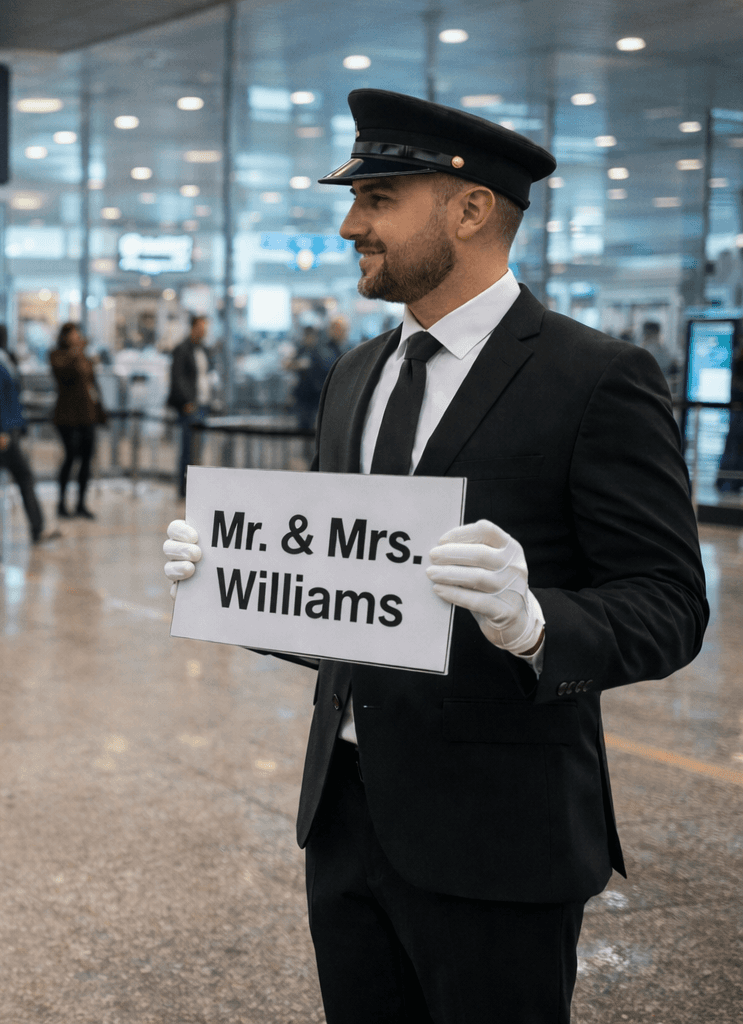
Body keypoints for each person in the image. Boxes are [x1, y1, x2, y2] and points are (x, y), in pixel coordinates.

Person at [161, 89, 708, 1024]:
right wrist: (241, 582)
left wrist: (536, 624)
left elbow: (669, 604)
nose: (349, 225)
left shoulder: (596, 379)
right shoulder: (356, 375)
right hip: (344, 821)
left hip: (499, 837)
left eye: (377, 199)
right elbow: (351, 598)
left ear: (468, 208)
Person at [0, 323, 57, 545]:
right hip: (4, 432)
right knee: (21, 477)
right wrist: (2, 430)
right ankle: (37, 527)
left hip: (6, 429)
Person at [48, 321, 107, 518]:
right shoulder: (58, 355)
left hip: (87, 415)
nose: (77, 337)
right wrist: (75, 353)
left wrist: (100, 412)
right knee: (71, 456)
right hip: (67, 416)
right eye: (73, 334)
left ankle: (81, 502)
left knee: (86, 459)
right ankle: (62, 502)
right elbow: (62, 376)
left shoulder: (85, 358)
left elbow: (92, 384)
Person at [167, 314, 212, 497]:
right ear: (193, 328)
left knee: (198, 449)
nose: (203, 332)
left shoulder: (204, 350)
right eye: (201, 328)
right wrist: (187, 401)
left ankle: (195, 488)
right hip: (190, 406)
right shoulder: (182, 349)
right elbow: (177, 378)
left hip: (203, 403)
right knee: (187, 450)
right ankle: (184, 489)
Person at [287, 325, 339, 431]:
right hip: (303, 396)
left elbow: (324, 368)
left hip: (316, 395)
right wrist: (298, 364)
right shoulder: (302, 349)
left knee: (316, 427)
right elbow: (288, 365)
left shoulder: (321, 351)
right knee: (303, 427)